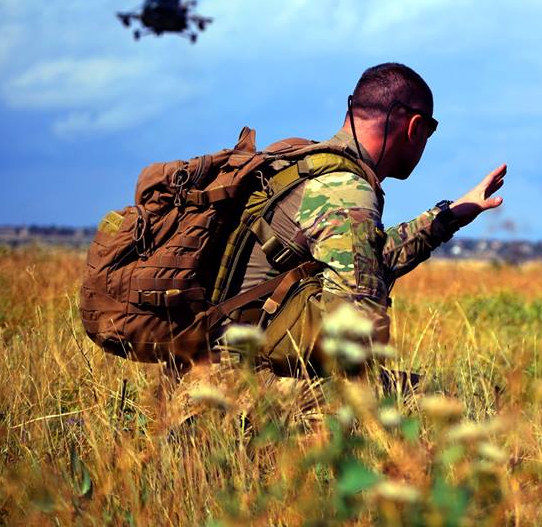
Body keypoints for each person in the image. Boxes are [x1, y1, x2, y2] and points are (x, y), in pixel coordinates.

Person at [168, 63, 505, 421]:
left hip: (203, 378)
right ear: (414, 127)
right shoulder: (346, 192)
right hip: (234, 394)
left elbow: (363, 261)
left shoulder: (305, 166)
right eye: (430, 130)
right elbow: (360, 336)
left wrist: (447, 218)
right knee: (438, 408)